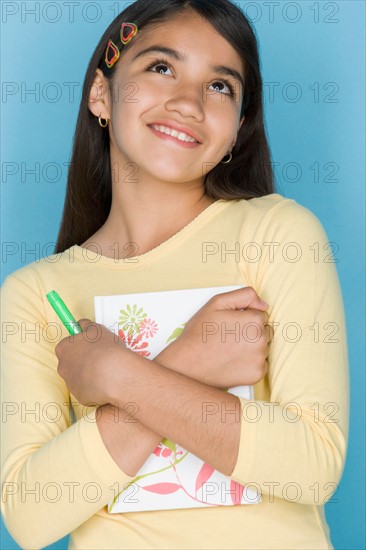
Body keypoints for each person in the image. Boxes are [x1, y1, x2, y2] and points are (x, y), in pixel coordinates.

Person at [1, 0, 349, 548]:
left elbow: (310, 468)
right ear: (101, 94)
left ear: (237, 129)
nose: (188, 102)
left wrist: (119, 376)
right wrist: (189, 359)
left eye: (220, 87)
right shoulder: (38, 294)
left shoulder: (278, 235)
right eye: (161, 67)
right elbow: (30, 515)